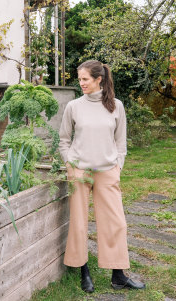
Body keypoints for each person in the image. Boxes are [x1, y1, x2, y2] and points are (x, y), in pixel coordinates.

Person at [58, 60, 145, 293]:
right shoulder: (73, 107)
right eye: (79, 79)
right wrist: (70, 165)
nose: (81, 83)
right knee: (79, 222)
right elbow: (64, 140)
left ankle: (118, 275)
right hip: (80, 172)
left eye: (85, 79)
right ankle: (84, 271)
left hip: (107, 171)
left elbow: (121, 142)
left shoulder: (116, 106)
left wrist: (118, 166)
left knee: (116, 223)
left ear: (99, 79)